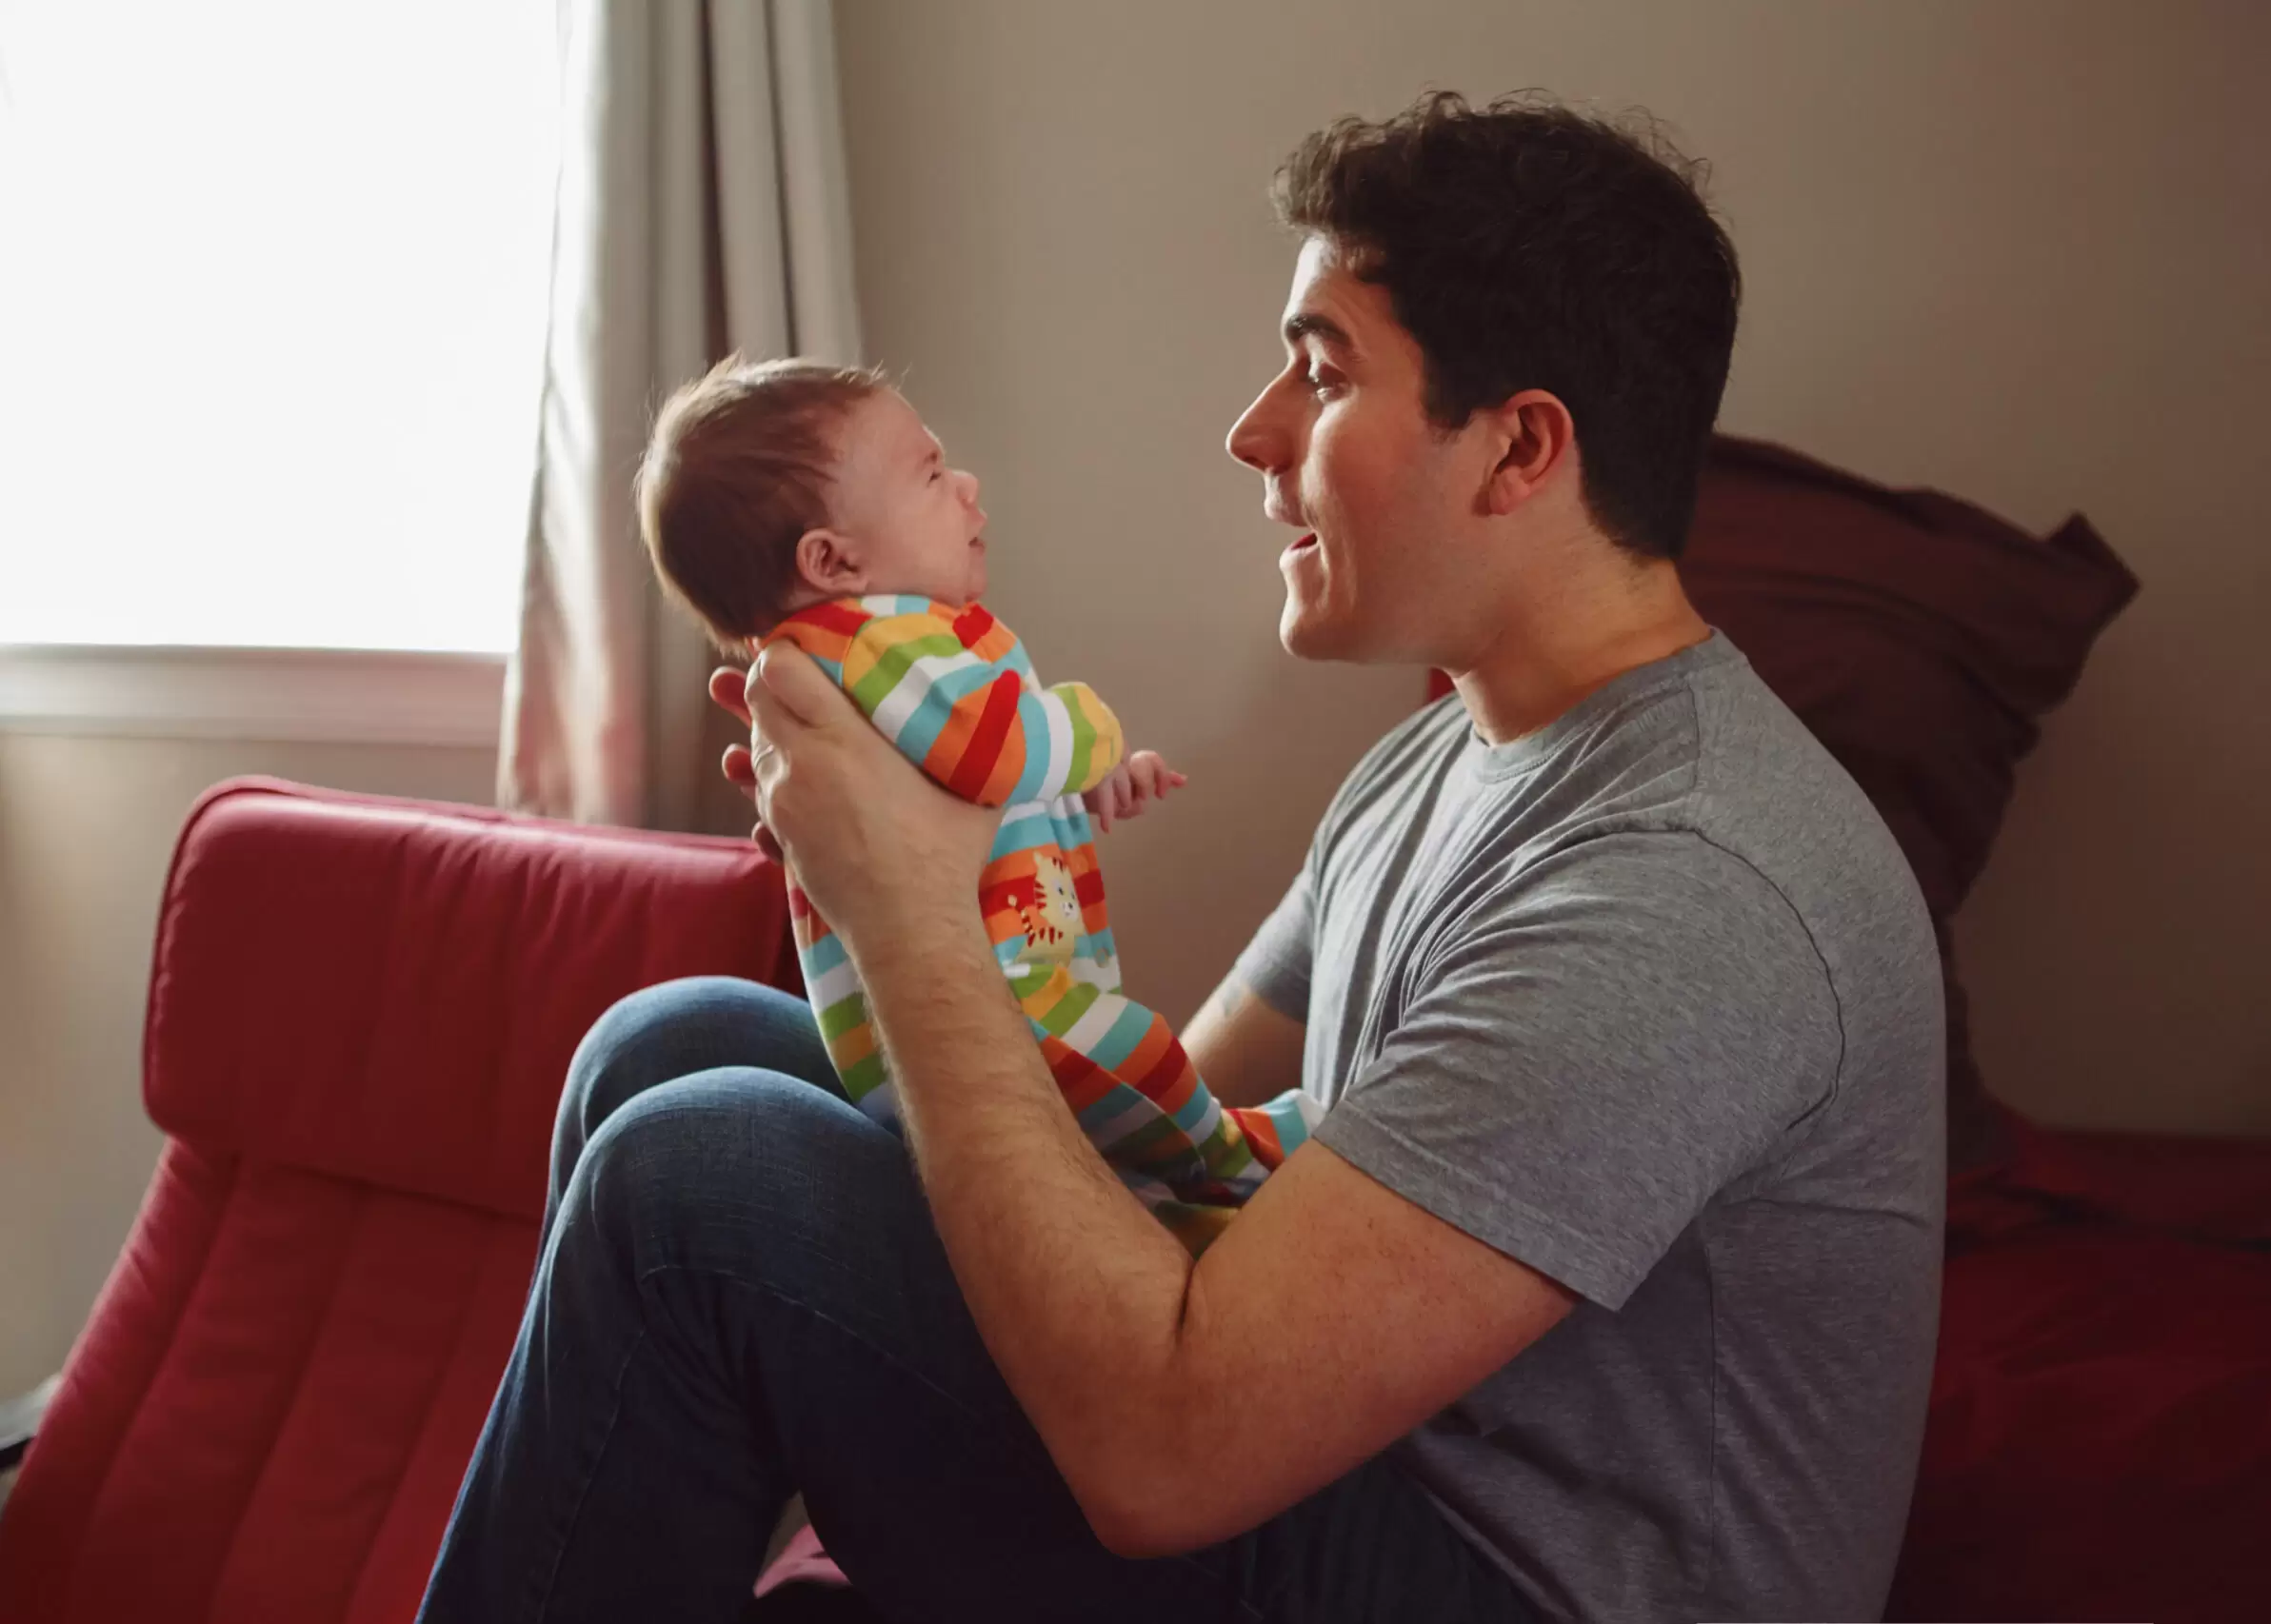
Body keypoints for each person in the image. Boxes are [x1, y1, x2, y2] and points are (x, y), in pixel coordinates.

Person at [421, 91, 1944, 1624]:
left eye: (1322, 371)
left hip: (1481, 1570)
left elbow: (1170, 1451)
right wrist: (924, 847)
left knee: (696, 1185)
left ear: (1519, 448)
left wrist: (915, 920)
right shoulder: (1440, 760)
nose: (1252, 430)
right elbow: (1149, 1134)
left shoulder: (1682, 876)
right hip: (1335, 1465)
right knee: (672, 1045)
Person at [631, 356, 1322, 1251]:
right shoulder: (865, 645)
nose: (964, 485)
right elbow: (995, 753)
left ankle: (1166, 1208)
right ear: (832, 559)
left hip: (992, 991)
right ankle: (1239, 1160)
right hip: (991, 1010)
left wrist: (1084, 782)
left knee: (1110, 1112)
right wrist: (1093, 727)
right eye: (928, 473)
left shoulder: (892, 649)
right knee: (1134, 1058)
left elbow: (971, 789)